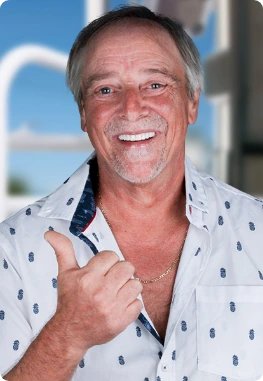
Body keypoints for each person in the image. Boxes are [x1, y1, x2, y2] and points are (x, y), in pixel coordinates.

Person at [1, 4, 263, 381]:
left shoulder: (258, 230)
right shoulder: (10, 251)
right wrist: (67, 336)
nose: (132, 107)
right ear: (83, 113)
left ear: (191, 103)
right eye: (106, 89)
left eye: (155, 85)